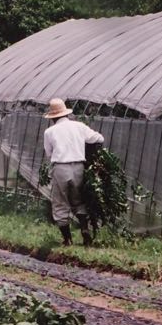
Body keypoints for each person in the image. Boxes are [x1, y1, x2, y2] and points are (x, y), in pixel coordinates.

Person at [43, 98, 104, 246]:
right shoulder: (79, 126)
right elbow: (99, 138)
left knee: (60, 202)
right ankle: (84, 229)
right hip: (78, 167)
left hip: (61, 168)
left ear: (53, 117)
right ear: (66, 114)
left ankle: (67, 239)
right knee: (78, 201)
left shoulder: (50, 132)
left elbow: (49, 154)